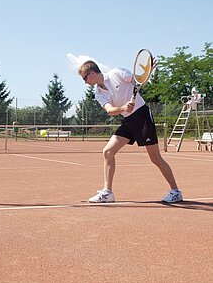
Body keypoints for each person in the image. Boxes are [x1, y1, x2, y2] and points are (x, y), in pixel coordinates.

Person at [78, 60, 183, 203]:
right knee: (108, 152)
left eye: (85, 78)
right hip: (128, 120)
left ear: (92, 73)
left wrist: (147, 72)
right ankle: (108, 192)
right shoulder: (98, 93)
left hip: (142, 116)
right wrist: (123, 108)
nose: (85, 82)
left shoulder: (116, 73)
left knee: (155, 158)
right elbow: (110, 110)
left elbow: (136, 79)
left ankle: (175, 191)